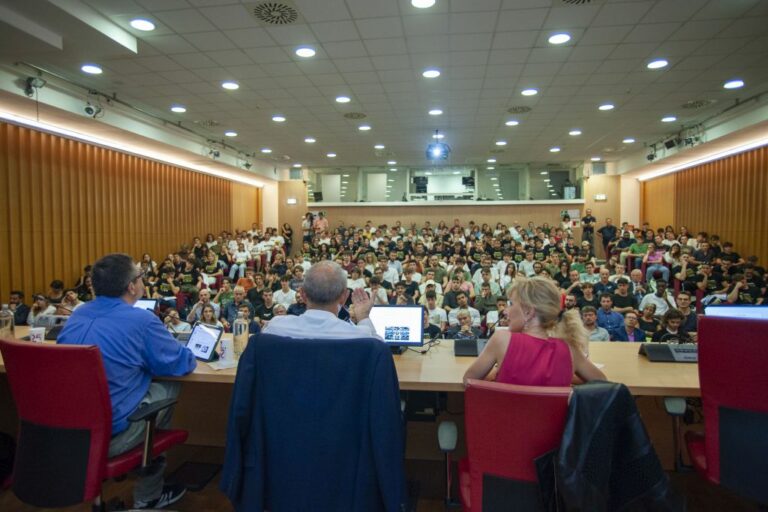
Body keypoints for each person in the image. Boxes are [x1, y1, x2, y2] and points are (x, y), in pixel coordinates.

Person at [58, 253, 195, 509]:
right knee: (169, 384)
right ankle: (148, 495)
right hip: (110, 438)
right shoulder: (142, 320)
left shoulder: (77, 314)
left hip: (67, 433)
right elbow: (181, 364)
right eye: (141, 276)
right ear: (132, 286)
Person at [463, 277, 605, 385]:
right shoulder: (570, 350)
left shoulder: (501, 340)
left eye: (511, 304)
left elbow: (468, 380)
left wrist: (497, 372)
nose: (505, 311)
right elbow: (602, 382)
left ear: (528, 312)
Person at [263, 260, 380, 339]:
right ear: (344, 297)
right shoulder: (361, 335)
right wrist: (363, 317)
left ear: (303, 295)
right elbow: (380, 352)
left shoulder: (274, 328)